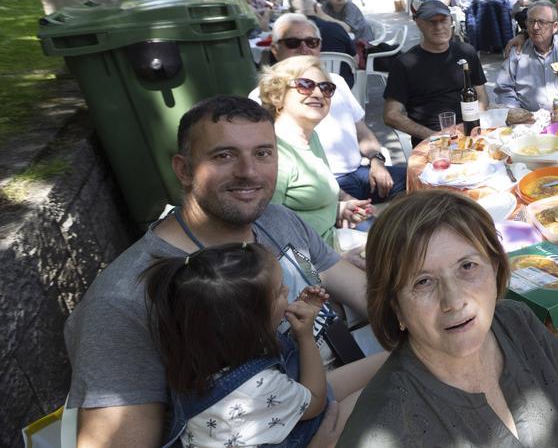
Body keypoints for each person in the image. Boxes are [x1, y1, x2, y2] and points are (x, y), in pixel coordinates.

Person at [66, 95, 371, 447]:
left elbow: (360, 291)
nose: (249, 172)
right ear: (183, 169)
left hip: (331, 381)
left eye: (263, 153)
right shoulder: (122, 301)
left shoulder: (276, 219)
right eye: (224, 155)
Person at [337, 190, 558, 447]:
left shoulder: (516, 322)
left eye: (467, 266)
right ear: (395, 306)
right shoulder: (385, 431)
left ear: (494, 268)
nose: (454, 301)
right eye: (423, 282)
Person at [142, 243, 381, 446]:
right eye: (278, 292)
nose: (288, 290)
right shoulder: (256, 388)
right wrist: (305, 335)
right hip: (309, 430)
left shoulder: (199, 358)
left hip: (286, 407)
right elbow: (316, 401)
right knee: (378, 392)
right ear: (249, 324)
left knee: (389, 362)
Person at [256, 14, 405, 204]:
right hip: (321, 187)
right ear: (275, 49)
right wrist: (340, 201)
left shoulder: (336, 82)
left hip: (361, 174)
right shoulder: (265, 97)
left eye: (312, 42)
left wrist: (377, 160)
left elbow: (363, 132)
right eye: (293, 42)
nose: (304, 49)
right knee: (376, 229)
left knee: (427, 184)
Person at [257, 57, 372, 242]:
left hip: (329, 242)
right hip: (309, 263)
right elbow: (268, 237)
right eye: (305, 85)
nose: (318, 93)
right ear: (276, 95)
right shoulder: (275, 156)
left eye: (326, 88)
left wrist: (339, 210)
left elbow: (301, 209)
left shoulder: (311, 138)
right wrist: (335, 264)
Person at [383, 0, 488, 141]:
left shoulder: (466, 52)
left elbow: (481, 95)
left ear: (451, 20)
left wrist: (474, 124)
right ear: (419, 23)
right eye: (432, 22)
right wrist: (432, 136)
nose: (439, 27)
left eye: (443, 20)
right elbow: (391, 115)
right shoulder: (404, 64)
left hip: (470, 132)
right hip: (431, 139)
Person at [493, 0, 558, 111]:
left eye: (542, 22)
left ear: (555, 27)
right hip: (527, 121)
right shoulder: (517, 51)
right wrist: (518, 114)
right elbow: (503, 90)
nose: (535, 27)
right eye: (531, 21)